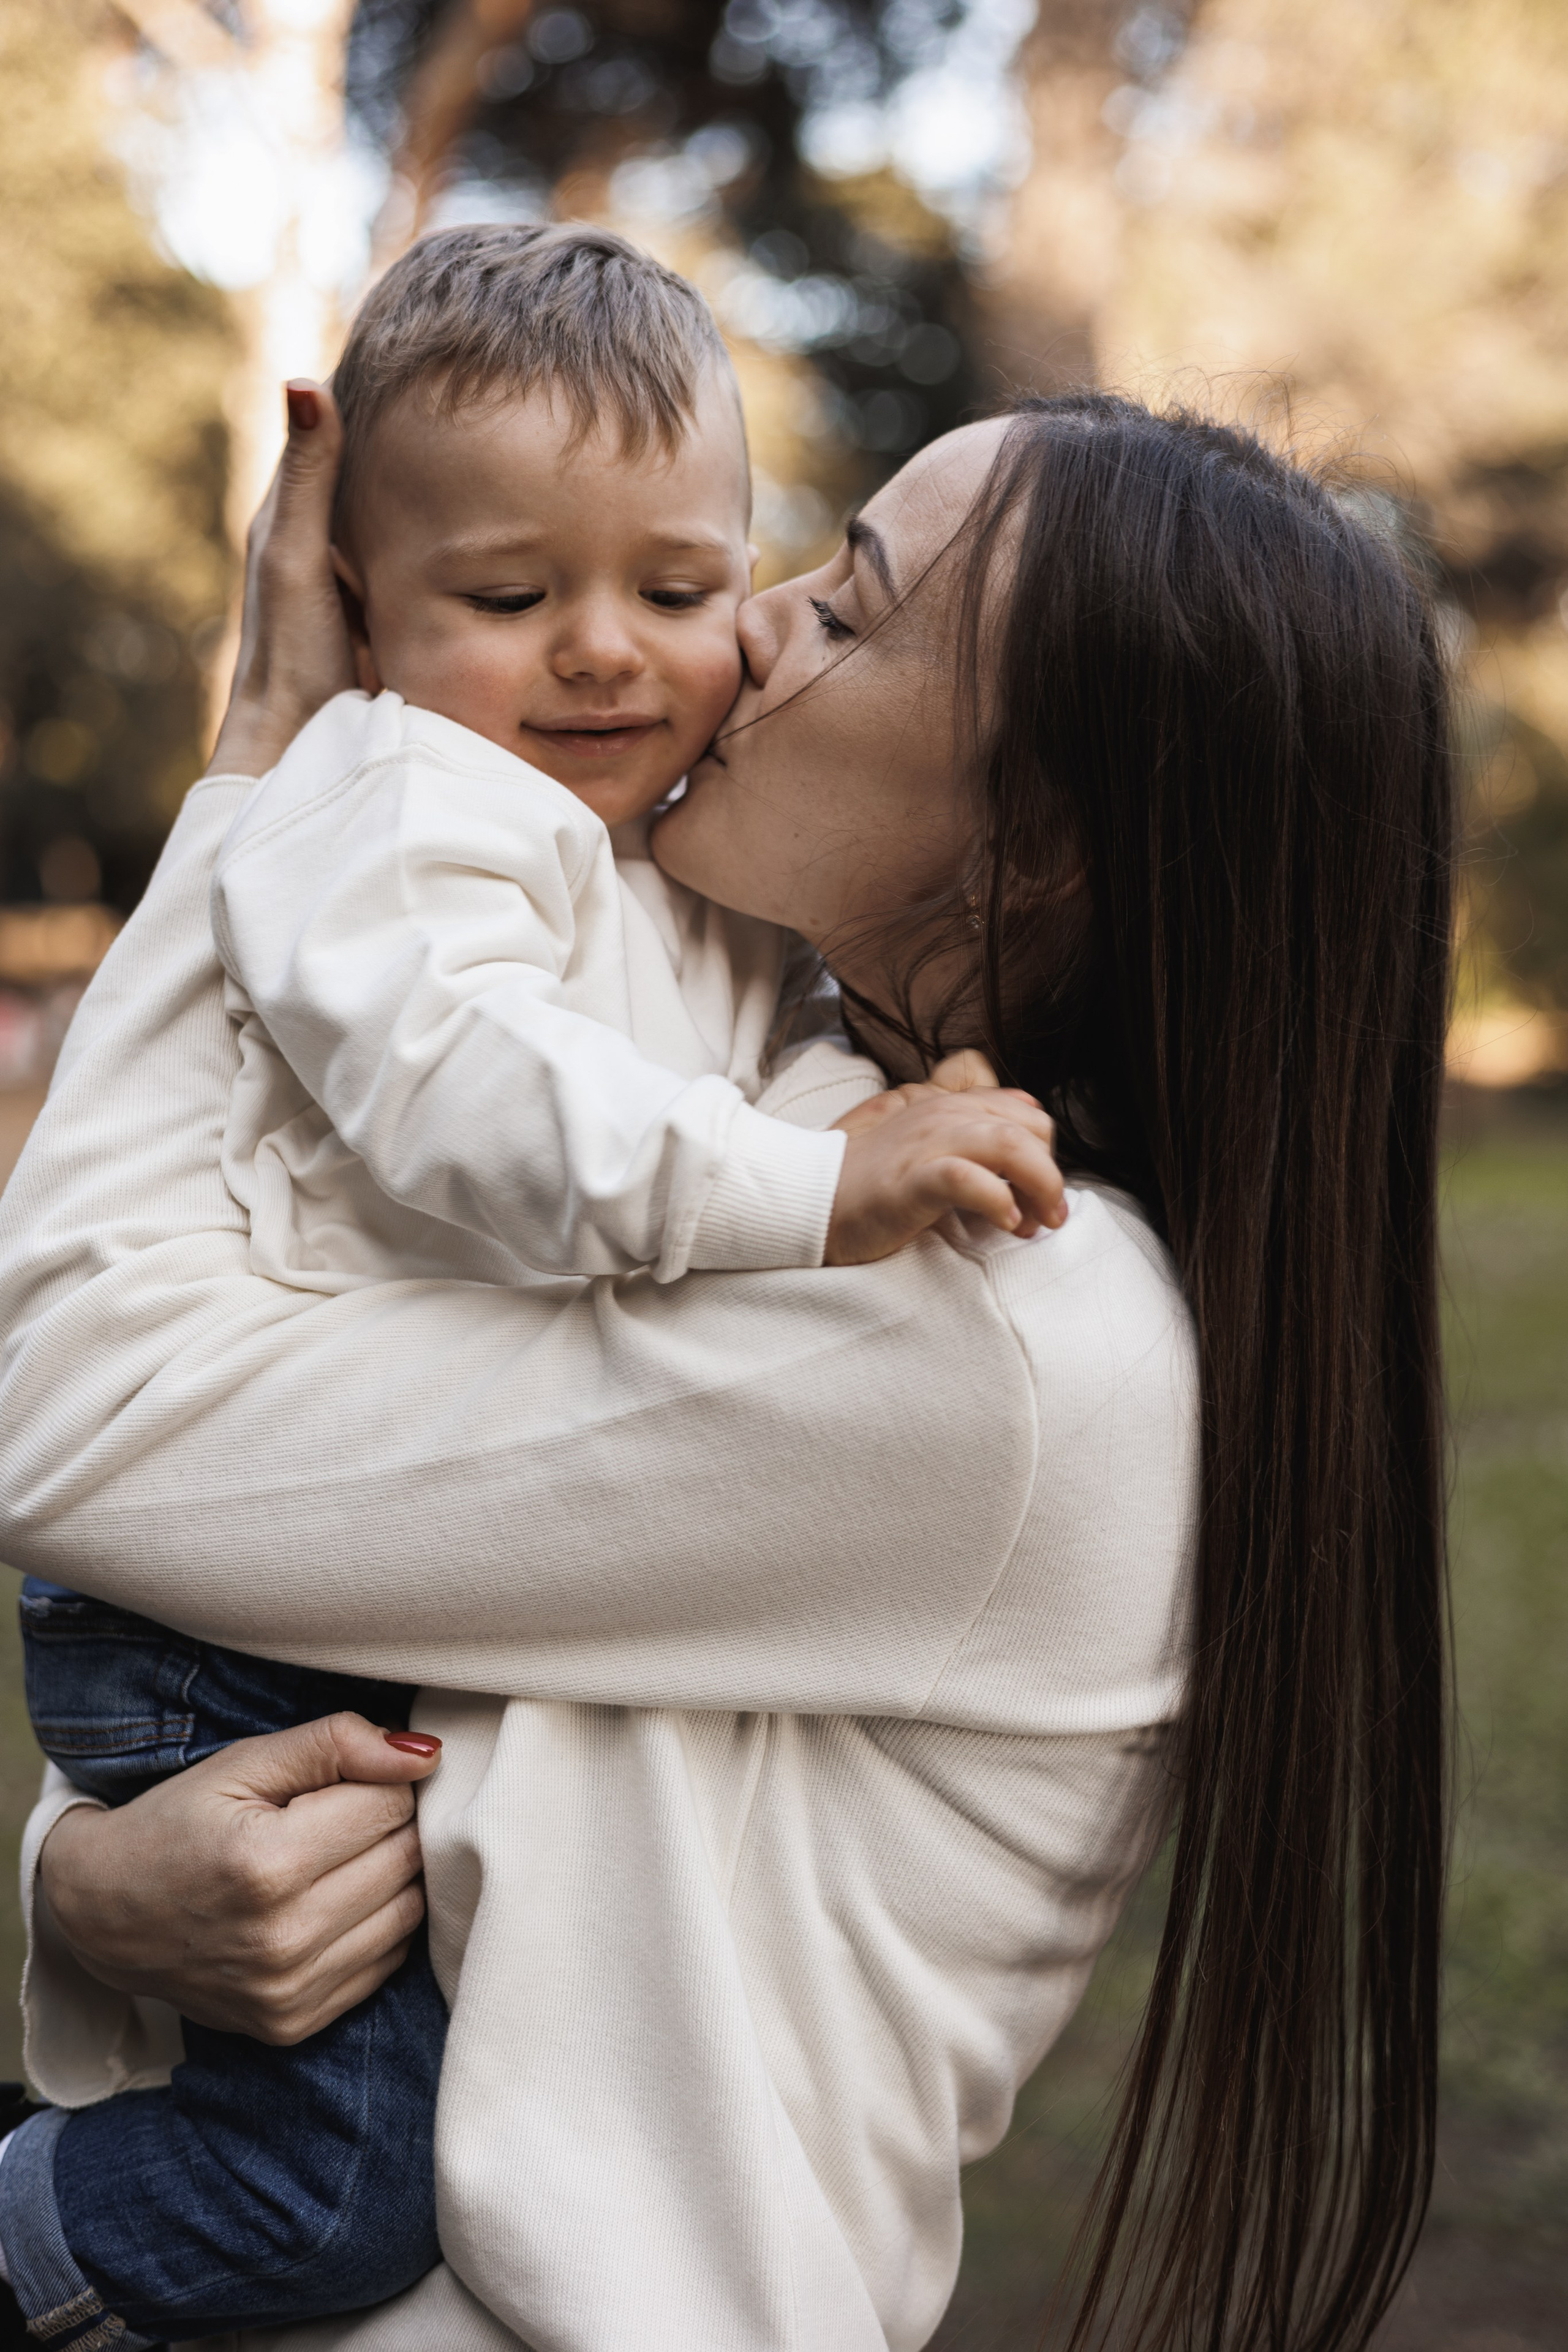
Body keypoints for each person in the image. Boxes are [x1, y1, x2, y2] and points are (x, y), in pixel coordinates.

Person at [0, 381, 1453, 2352]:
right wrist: (93, 1881)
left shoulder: (1001, 1327)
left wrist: (266, 753)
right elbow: (362, 1638)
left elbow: (68, 1415)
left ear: (1034, 849)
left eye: (848, 610)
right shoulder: (775, 1129)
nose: (743, 621)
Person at [1, 227, 1063, 2351]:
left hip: (312, 1542)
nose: (609, 654)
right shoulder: (394, 807)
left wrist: (873, 1101)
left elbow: (761, 1075)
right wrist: (814, 1188)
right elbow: (470, 1093)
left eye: (686, 590)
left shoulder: (670, 878)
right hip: (207, 1615)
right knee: (320, 2188)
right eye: (505, 598)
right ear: (365, 606)